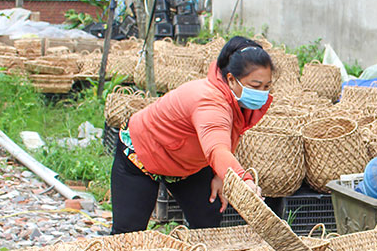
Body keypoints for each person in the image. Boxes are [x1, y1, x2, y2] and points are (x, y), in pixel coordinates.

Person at [110, 36, 272, 234]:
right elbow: (216, 148)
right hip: (143, 153)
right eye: (255, 86)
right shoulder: (209, 101)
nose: (262, 93)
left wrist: (220, 176)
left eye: (266, 86)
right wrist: (243, 180)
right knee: (127, 234)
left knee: (208, 217)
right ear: (231, 79)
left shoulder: (237, 100)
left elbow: (227, 135)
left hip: (187, 164)